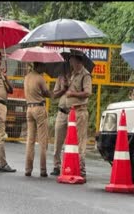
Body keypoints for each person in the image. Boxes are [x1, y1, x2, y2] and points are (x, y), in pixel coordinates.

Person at [65, 50, 92, 180]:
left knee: (80, 141)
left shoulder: (85, 75)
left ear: (77, 61)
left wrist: (73, 94)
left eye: (71, 60)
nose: (70, 62)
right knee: (71, 141)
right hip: (72, 112)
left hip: (80, 111)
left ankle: (82, 169)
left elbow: (87, 93)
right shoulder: (72, 75)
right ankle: (72, 166)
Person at [24, 62, 52, 177]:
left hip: (29, 109)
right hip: (39, 109)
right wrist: (56, 92)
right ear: (38, 66)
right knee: (42, 141)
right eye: (43, 66)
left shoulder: (27, 77)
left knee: (30, 140)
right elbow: (46, 93)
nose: (45, 68)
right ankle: (43, 169)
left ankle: (28, 169)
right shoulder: (40, 78)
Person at [50, 69, 71, 176]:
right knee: (58, 141)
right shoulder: (61, 77)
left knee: (73, 142)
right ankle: (56, 166)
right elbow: (54, 95)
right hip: (61, 112)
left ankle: (71, 165)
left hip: (73, 112)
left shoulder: (78, 76)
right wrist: (63, 89)